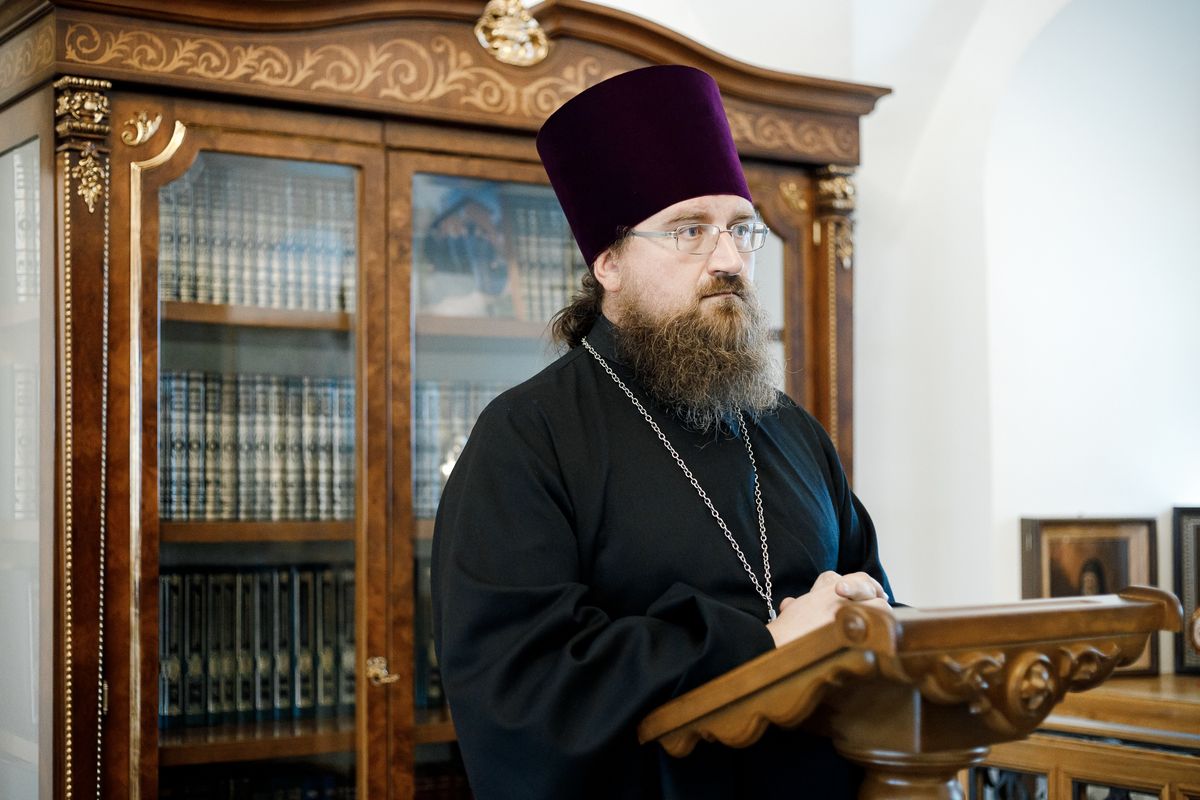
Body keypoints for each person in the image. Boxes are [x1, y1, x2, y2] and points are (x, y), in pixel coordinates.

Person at [431, 64, 895, 799]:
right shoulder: (524, 439)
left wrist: (868, 618)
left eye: (741, 229)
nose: (729, 260)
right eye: (690, 231)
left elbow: (870, 600)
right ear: (608, 262)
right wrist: (763, 644)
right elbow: (525, 688)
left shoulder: (792, 431)